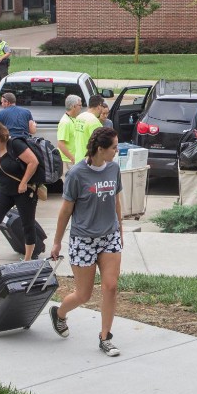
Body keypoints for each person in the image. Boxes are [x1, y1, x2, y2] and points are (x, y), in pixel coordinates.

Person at [49, 127, 124, 357]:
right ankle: (59, 313)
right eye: (113, 147)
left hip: (109, 236)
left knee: (111, 287)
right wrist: (57, 242)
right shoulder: (77, 174)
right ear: (100, 149)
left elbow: (116, 201)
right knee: (84, 294)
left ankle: (105, 338)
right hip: (83, 239)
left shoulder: (114, 168)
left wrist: (120, 229)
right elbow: (65, 211)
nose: (116, 151)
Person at [0, 121, 41, 268]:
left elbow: (33, 162)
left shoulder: (15, 145)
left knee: (27, 224)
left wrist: (24, 182)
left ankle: (28, 259)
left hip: (24, 191)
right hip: (5, 190)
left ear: (1, 136)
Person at [56, 94, 85, 173]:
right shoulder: (65, 122)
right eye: (80, 105)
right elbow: (61, 144)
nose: (81, 107)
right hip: (67, 161)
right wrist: (72, 158)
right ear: (73, 106)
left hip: (74, 160)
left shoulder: (74, 118)